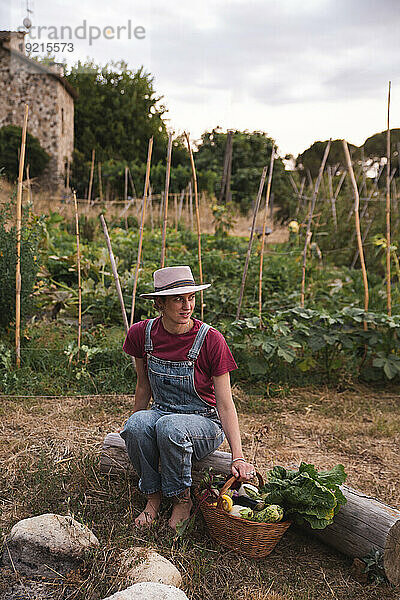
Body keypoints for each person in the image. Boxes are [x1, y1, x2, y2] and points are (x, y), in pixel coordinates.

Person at [120, 265, 255, 530]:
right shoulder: (141, 334)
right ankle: (153, 497)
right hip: (162, 412)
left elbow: (225, 404)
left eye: (190, 297)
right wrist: (134, 427)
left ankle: (182, 499)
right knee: (135, 425)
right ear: (159, 303)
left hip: (204, 422)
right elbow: (143, 386)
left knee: (170, 427)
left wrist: (237, 455)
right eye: (177, 299)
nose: (187, 306)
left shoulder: (210, 340)